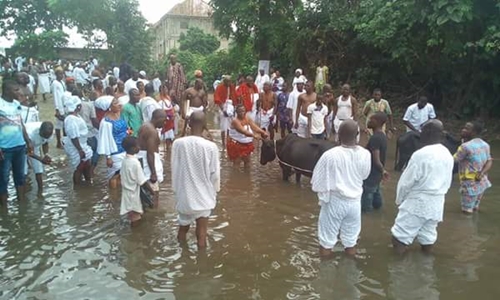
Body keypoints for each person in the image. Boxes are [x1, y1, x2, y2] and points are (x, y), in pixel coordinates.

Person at [391, 120, 454, 254]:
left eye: (422, 130)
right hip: (437, 203)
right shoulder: (447, 154)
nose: (420, 133)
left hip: (418, 202)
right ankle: (426, 265)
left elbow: (406, 182)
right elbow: (448, 181)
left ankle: (399, 271)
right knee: (428, 237)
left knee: (399, 237)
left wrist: (400, 200)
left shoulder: (421, 154)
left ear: (428, 132)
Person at [311, 119, 371, 258]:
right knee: (351, 241)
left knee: (326, 241)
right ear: (357, 134)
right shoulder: (365, 154)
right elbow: (364, 175)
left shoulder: (330, 155)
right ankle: (350, 271)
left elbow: (316, 183)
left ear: (338, 134)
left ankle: (326, 274)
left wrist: (325, 196)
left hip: (335, 202)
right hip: (355, 203)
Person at [171, 111, 221, 249]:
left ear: (189, 123)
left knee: (182, 230)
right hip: (204, 197)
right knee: (202, 234)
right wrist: (214, 192)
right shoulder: (211, 147)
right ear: (205, 125)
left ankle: (183, 258)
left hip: (185, 196)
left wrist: (177, 191)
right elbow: (215, 175)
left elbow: (175, 168)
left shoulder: (178, 144)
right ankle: (202, 265)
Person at [0, 80, 33, 204]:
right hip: (4, 148)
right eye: (16, 90)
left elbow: (20, 123)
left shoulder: (15, 104)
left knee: (20, 177)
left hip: (19, 145)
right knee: (3, 178)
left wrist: (28, 140)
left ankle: (22, 205)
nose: (19, 92)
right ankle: (4, 208)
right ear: (7, 91)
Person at [454, 121, 493, 214]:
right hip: (481, 182)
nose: (463, 129)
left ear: (474, 132)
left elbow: (453, 160)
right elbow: (489, 161)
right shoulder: (485, 145)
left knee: (466, 212)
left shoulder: (465, 147)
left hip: (469, 185)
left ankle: (467, 228)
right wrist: (482, 173)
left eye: (467, 128)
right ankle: (475, 227)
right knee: (475, 208)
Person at [120, 136, 154, 225]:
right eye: (137, 146)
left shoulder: (125, 160)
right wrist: (152, 191)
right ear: (133, 148)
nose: (139, 147)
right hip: (133, 194)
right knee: (136, 218)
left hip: (127, 193)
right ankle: (134, 236)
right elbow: (142, 181)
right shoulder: (135, 163)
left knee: (133, 216)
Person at [137, 109, 167, 208]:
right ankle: (153, 218)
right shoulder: (152, 131)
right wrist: (153, 173)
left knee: (144, 195)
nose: (164, 123)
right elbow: (150, 153)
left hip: (142, 162)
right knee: (153, 195)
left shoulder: (145, 126)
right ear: (157, 119)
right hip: (148, 166)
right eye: (163, 120)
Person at [97, 97, 129, 188]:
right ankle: (113, 197)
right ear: (109, 107)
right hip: (115, 152)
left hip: (124, 149)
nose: (119, 104)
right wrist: (108, 157)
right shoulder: (106, 122)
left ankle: (119, 195)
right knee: (114, 175)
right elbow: (105, 140)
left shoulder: (120, 115)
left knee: (122, 174)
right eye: (115, 103)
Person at [361, 112, 389, 212]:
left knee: (366, 199)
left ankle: (367, 219)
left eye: (371, 119)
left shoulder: (375, 138)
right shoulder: (382, 136)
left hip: (371, 172)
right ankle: (378, 215)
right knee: (376, 192)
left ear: (377, 122)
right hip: (376, 174)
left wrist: (383, 171)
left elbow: (376, 159)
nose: (369, 121)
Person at [63, 96, 93, 185]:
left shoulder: (76, 117)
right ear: (78, 107)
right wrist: (80, 149)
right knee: (79, 167)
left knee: (86, 164)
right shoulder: (71, 119)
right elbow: (73, 136)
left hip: (82, 144)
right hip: (77, 146)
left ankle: (88, 183)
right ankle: (77, 187)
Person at [75, 89, 99, 177]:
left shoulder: (70, 107)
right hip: (89, 134)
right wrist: (101, 128)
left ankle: (83, 174)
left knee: (82, 157)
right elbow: (94, 120)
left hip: (77, 137)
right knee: (96, 151)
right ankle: (91, 170)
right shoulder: (89, 105)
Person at [24, 121, 54, 192]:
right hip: (23, 146)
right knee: (24, 171)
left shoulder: (50, 133)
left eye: (48, 136)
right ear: (40, 131)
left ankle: (40, 191)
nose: (46, 137)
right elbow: (28, 151)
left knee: (39, 169)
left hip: (35, 145)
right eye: (45, 135)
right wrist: (41, 159)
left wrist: (46, 154)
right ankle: (24, 193)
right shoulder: (30, 133)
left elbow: (45, 143)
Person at [214, 75, 237, 148]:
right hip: (223, 106)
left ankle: (228, 141)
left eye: (230, 81)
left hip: (230, 106)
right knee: (223, 126)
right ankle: (223, 143)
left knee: (230, 126)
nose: (229, 83)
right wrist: (223, 110)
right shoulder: (219, 87)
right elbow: (217, 99)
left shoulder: (232, 87)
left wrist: (234, 108)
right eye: (228, 82)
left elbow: (234, 97)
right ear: (224, 81)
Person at [158, 83, 176, 153]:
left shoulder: (168, 98)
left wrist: (173, 114)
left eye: (166, 89)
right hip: (165, 120)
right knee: (167, 136)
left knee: (170, 135)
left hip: (171, 119)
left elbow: (171, 108)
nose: (166, 91)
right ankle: (167, 150)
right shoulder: (160, 100)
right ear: (161, 91)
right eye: (164, 90)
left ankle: (169, 150)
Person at [52, 69, 67, 148]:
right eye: (59, 74)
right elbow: (55, 96)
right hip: (59, 107)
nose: (61, 76)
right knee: (58, 125)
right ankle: (58, 142)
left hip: (63, 105)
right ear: (56, 74)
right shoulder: (55, 83)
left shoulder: (62, 82)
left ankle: (64, 141)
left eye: (62, 74)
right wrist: (57, 109)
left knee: (64, 125)